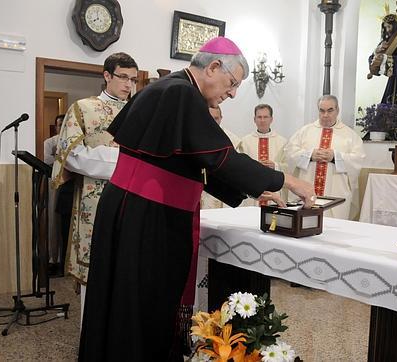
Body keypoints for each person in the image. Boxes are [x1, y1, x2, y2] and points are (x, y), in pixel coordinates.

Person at [78, 37, 315, 361]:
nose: (231, 94)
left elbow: (193, 163)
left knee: (124, 305)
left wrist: (255, 188)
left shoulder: (170, 88)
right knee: (142, 307)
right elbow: (223, 158)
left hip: (135, 210)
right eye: (232, 84)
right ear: (214, 67)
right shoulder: (180, 92)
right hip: (147, 217)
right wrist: (287, 179)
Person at [50, 52, 138, 318]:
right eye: (123, 77)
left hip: (132, 200)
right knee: (95, 272)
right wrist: (123, 164)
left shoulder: (139, 111)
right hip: (95, 201)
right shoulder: (83, 108)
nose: (128, 85)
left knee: (127, 273)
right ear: (107, 75)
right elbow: (72, 156)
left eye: (133, 79)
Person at [285, 95, 365, 220]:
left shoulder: (350, 135)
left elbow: (358, 160)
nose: (325, 115)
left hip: (335, 193)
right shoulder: (305, 131)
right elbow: (289, 154)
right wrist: (310, 155)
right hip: (308, 189)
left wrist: (335, 157)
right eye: (322, 111)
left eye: (330, 110)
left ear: (337, 110)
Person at [238, 104, 288, 206]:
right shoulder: (245, 141)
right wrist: (254, 165)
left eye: (265, 117)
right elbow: (240, 166)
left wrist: (275, 165)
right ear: (254, 119)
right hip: (253, 190)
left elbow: (289, 167)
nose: (262, 120)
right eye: (259, 117)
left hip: (274, 189)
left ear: (271, 119)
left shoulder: (282, 142)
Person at [43, 115, 65, 276]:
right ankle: (53, 259)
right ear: (56, 127)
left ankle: (64, 259)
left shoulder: (75, 139)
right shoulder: (50, 142)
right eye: (59, 124)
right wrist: (63, 158)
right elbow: (45, 158)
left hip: (71, 185)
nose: (62, 127)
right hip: (54, 184)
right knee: (53, 221)